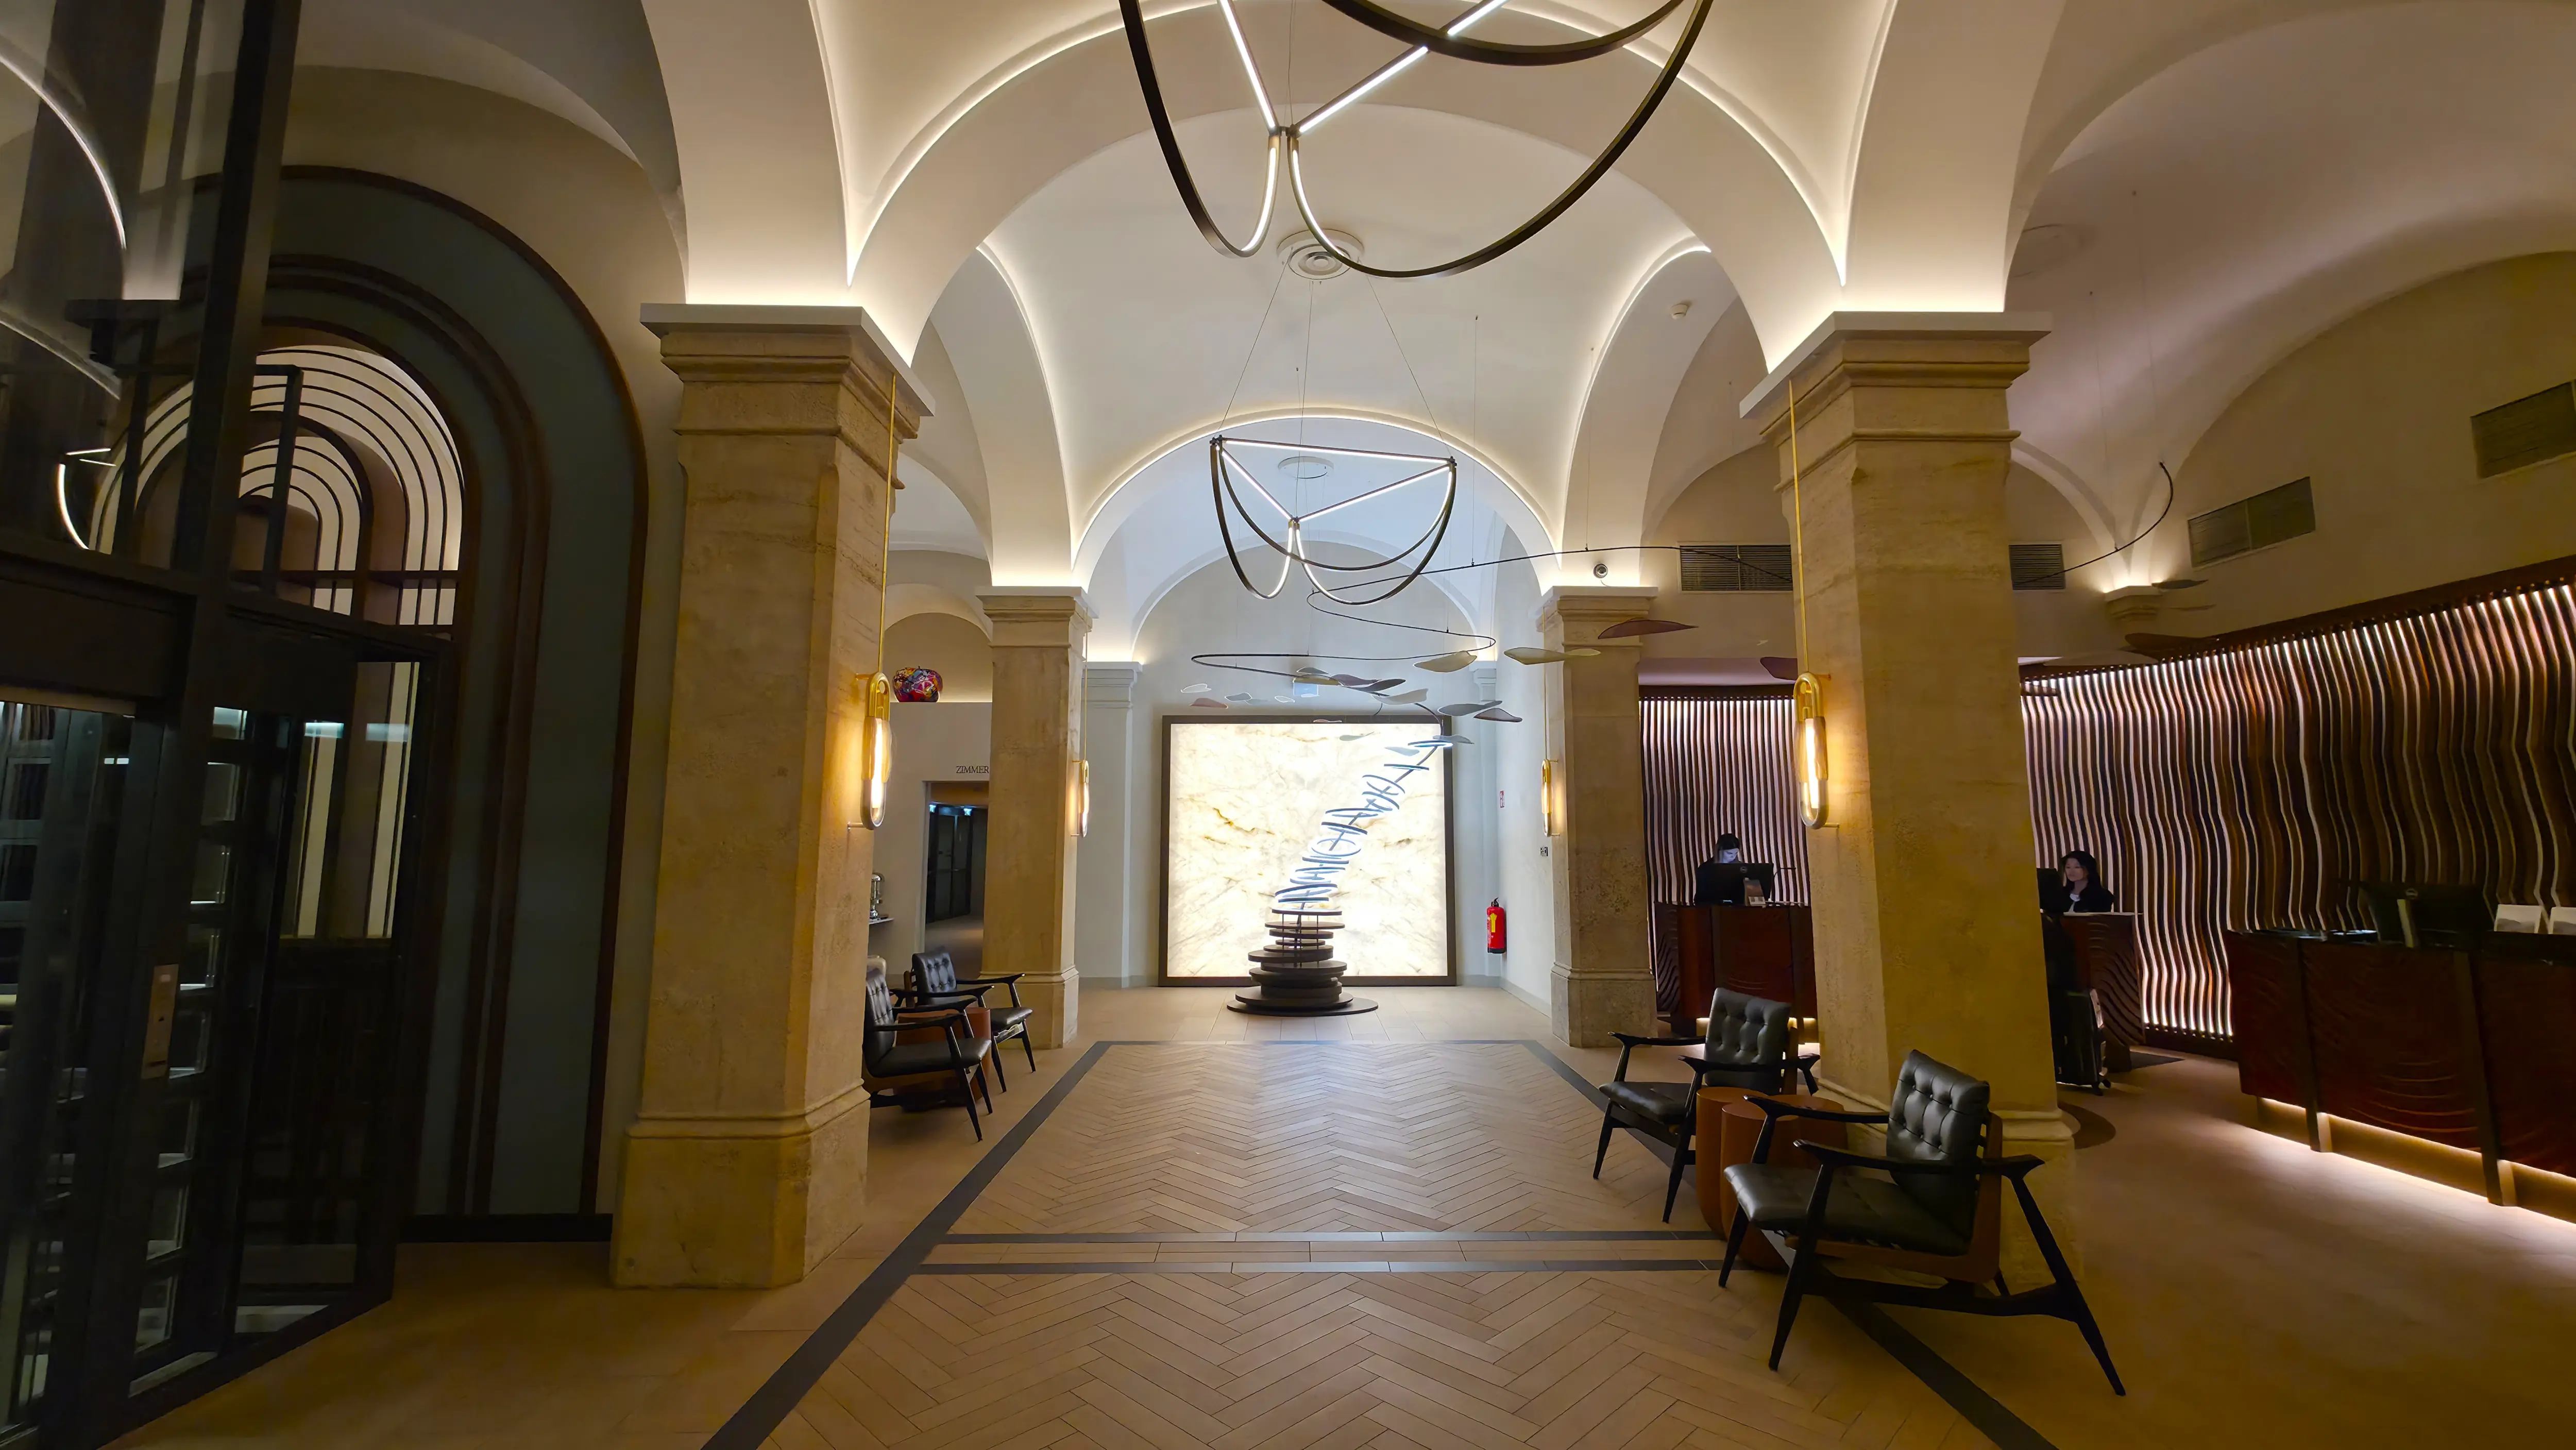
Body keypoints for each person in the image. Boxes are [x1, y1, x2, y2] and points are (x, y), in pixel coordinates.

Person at [2049, 851, 2116, 914]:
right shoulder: (2060, 894)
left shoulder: (2102, 896)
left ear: (2089, 869)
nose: (2071, 871)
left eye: (2077, 867)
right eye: (2068, 867)